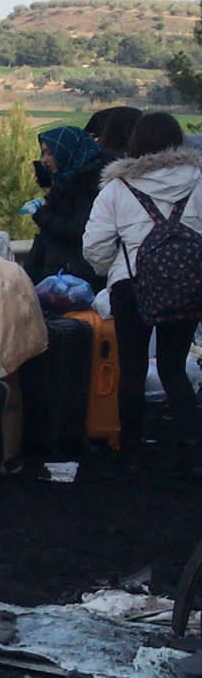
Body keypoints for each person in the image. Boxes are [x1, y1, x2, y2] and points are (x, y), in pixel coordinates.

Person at [83, 112, 202, 451]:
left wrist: (112, 268)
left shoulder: (118, 188)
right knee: (173, 366)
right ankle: (191, 446)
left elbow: (95, 246)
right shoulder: (198, 180)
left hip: (131, 284)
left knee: (132, 367)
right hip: (188, 285)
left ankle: (131, 444)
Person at [27, 125, 109, 289]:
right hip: (61, 274)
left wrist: (42, 214)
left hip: (74, 279)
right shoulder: (64, 183)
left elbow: (78, 230)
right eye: (43, 153)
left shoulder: (86, 186)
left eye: (50, 153)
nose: (45, 160)